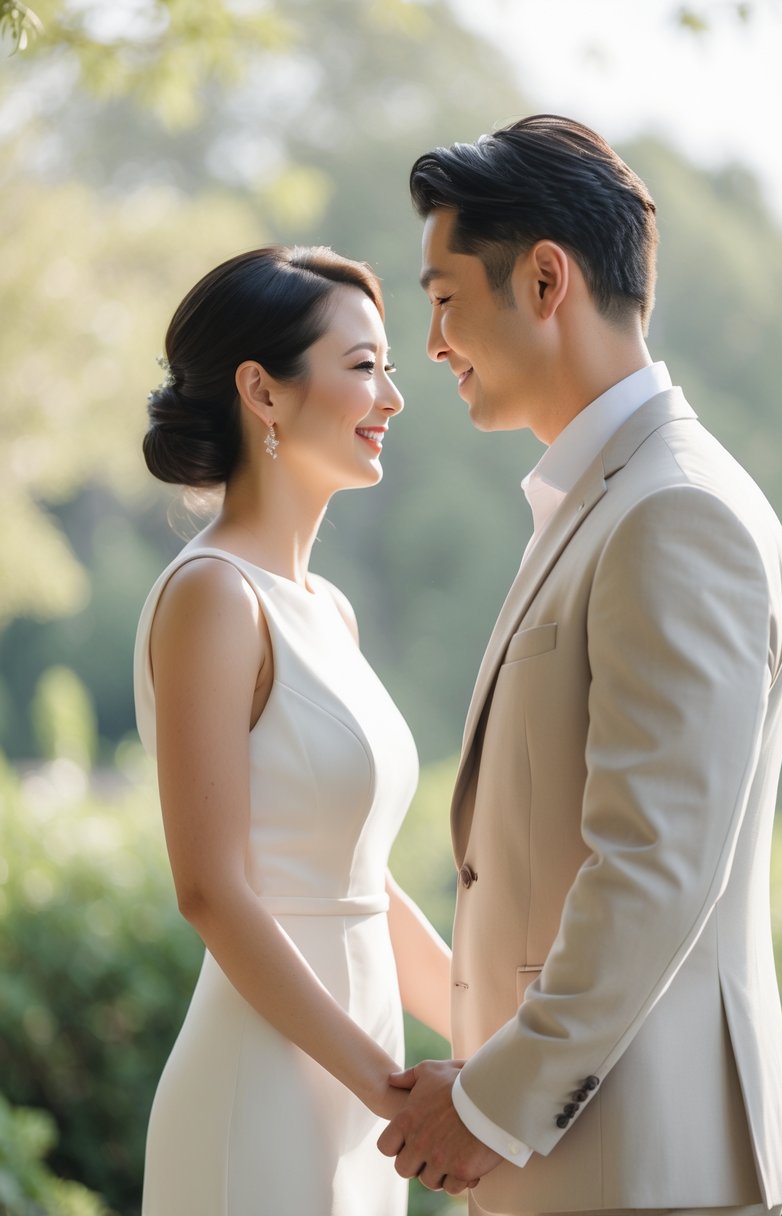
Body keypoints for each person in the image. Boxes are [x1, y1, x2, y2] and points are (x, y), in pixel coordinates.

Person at [378, 115, 782, 1216]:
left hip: (640, 1162)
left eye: (443, 297)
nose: (432, 343)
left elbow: (653, 864)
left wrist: (489, 1103)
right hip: (595, 1157)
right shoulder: (614, 500)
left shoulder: (675, 511)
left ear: (544, 279)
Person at [133, 245, 451, 1215]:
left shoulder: (328, 609)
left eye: (387, 366)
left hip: (359, 1085)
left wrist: (506, 1045)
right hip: (262, 1087)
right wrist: (390, 1091)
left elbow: (363, 885)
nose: (392, 395)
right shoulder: (214, 595)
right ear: (262, 392)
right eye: (362, 366)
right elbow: (211, 890)